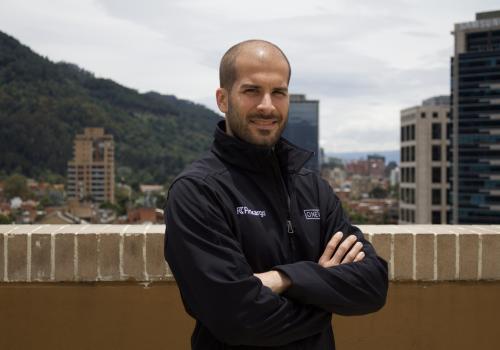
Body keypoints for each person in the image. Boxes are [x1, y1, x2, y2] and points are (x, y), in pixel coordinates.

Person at [164, 39, 388, 349]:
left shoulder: (312, 187)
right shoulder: (198, 192)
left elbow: (373, 286)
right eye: (251, 90)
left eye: (278, 92)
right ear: (223, 99)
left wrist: (283, 279)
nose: (267, 105)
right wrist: (324, 298)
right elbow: (238, 319)